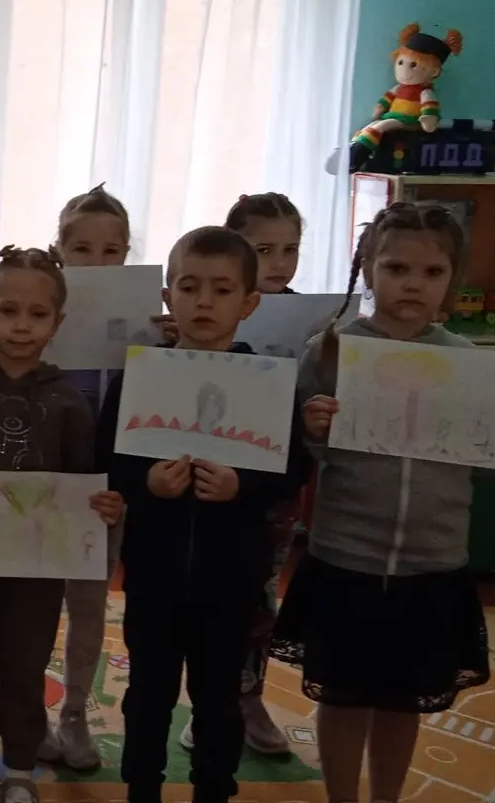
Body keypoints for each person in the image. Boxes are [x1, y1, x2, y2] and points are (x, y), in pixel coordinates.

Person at [280, 202, 495, 803]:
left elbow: (494, 456)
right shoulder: (330, 352)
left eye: (431, 272)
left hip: (432, 564)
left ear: (452, 279)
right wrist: (311, 427)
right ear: (368, 271)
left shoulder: (469, 362)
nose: (413, 284)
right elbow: (303, 448)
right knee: (343, 696)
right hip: (346, 557)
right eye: (396, 268)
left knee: (402, 702)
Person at [101, 227, 313, 803]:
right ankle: (141, 787)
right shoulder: (137, 380)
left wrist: (242, 485)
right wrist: (146, 482)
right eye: (189, 287)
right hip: (153, 573)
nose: (203, 301)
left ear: (249, 303)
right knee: (148, 690)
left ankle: (214, 789)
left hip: (232, 577)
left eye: (221, 290)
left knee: (220, 696)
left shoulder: (268, 385)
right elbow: (108, 462)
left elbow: (292, 469)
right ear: (168, 296)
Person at [0, 246, 126, 803]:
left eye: (37, 314)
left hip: (38, 571)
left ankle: (18, 772)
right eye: (8, 310)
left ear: (57, 323)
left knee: (25, 667)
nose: (21, 325)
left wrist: (104, 508)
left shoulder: (69, 403)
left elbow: (85, 487)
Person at [174, 192, 306, 756]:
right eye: (264, 250)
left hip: (264, 492)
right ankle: (209, 699)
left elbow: (296, 450)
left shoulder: (318, 321)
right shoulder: (195, 310)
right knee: (193, 597)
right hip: (193, 488)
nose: (279, 262)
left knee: (257, 600)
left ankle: (244, 696)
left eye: (290, 250)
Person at [35, 184, 132, 770]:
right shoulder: (37, 316)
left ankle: (74, 713)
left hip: (105, 492)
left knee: (90, 606)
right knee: (35, 606)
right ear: (60, 252)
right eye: (82, 249)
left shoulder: (143, 326)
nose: (96, 262)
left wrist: (168, 346)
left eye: (111, 251)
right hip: (42, 487)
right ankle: (29, 709)